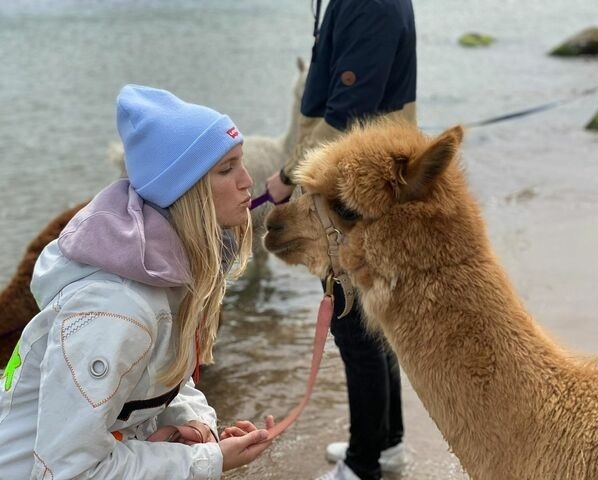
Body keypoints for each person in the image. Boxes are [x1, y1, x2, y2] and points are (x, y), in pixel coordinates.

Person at [0, 84, 274, 479]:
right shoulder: (114, 311)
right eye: (226, 169)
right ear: (186, 190)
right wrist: (210, 462)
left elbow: (166, 379)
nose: (248, 181)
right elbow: (69, 472)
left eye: (241, 163)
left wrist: (200, 427)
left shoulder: (169, 274)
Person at [266, 1, 417, 479]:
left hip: (351, 184)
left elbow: (347, 115)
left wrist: (288, 176)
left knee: (354, 327)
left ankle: (362, 465)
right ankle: (386, 443)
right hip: (357, 177)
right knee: (371, 323)